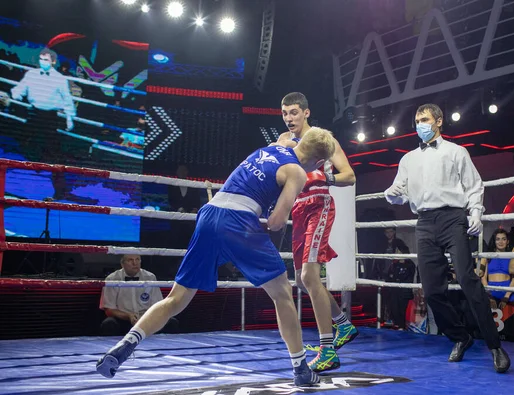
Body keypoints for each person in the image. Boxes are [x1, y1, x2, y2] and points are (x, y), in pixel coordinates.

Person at [96, 127, 337, 387]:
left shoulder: (278, 145)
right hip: (240, 220)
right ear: (319, 163)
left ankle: (126, 343)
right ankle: (301, 369)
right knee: (282, 294)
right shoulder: (298, 172)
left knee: (175, 299)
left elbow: (287, 140)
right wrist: (264, 225)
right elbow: (278, 221)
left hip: (209, 214)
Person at [384, 103, 510, 373]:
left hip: (454, 218)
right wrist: (394, 194)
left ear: (439, 121)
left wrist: (476, 212)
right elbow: (402, 191)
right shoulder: (408, 159)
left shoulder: (456, 152)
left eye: (425, 119)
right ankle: (461, 337)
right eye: (417, 120)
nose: (420, 124)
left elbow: (473, 185)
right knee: (431, 291)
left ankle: (495, 346)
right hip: (425, 222)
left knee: (467, 279)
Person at [275, 92, 358, 372]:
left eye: (294, 112)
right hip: (297, 208)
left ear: (306, 112)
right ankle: (343, 325)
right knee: (301, 280)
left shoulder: (323, 140)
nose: (289, 118)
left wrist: (322, 175)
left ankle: (327, 349)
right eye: (285, 113)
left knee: (310, 275)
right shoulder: (283, 142)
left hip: (319, 204)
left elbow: (349, 175)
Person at [100, 254, 178, 336]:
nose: (135, 263)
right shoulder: (112, 279)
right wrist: (128, 316)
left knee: (171, 322)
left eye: (137, 259)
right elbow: (109, 309)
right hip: (123, 320)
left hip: (148, 319)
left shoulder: (150, 277)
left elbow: (157, 304)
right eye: (130, 260)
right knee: (109, 324)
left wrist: (148, 316)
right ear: (122, 264)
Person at [481, 228, 514, 310]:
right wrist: (490, 296)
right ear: (494, 241)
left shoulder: (512, 256)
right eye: (498, 239)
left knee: (509, 321)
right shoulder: (487, 256)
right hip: (491, 292)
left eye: (504, 239)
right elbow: (483, 277)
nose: (501, 242)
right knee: (491, 322)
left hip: (508, 293)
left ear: (507, 242)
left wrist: (507, 296)